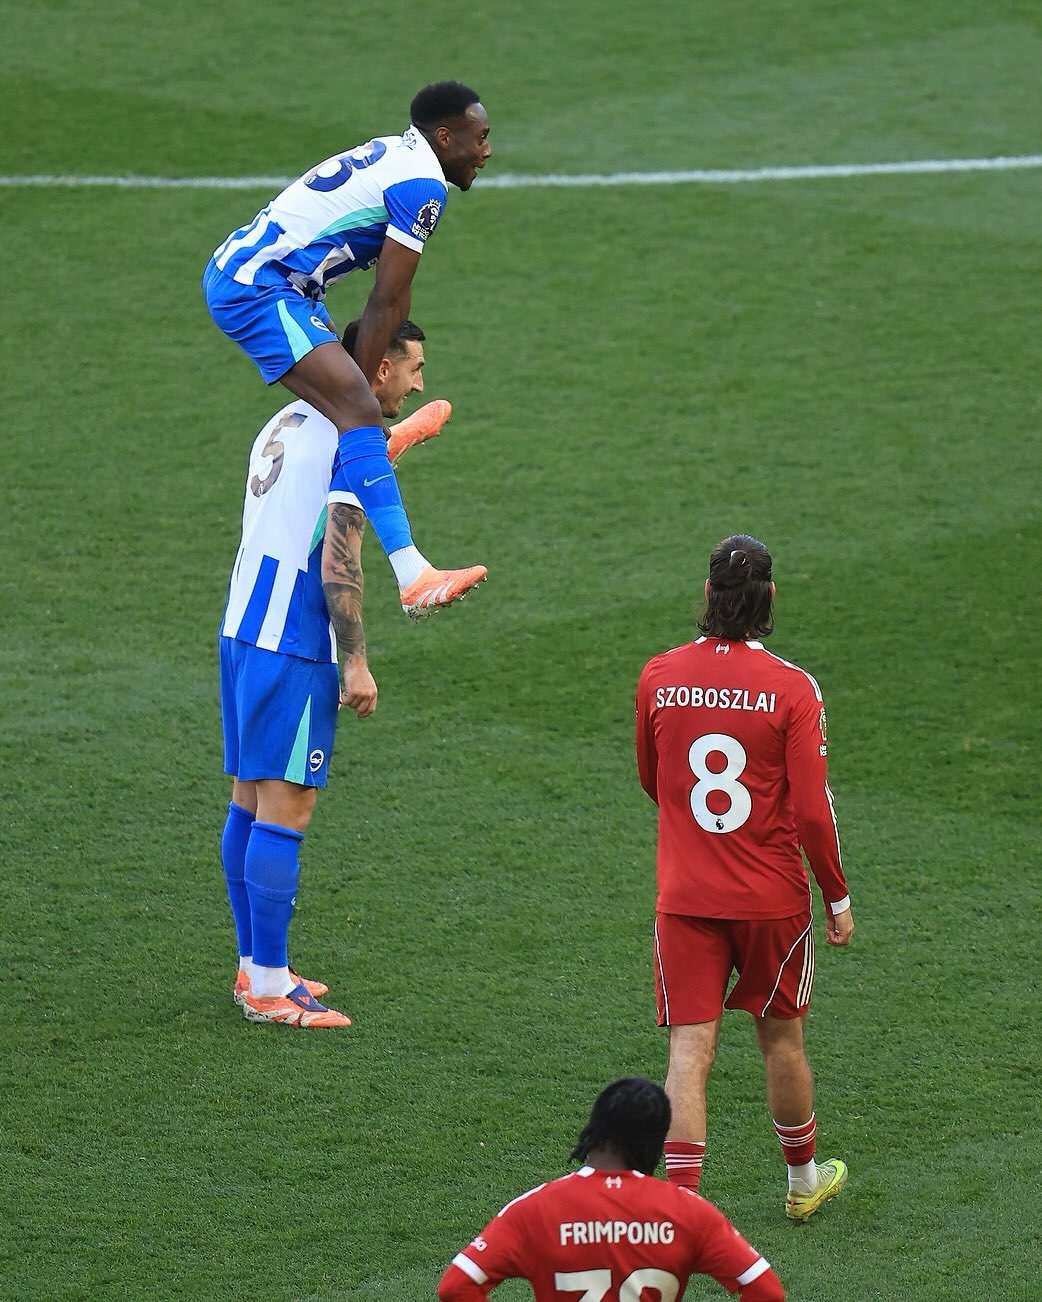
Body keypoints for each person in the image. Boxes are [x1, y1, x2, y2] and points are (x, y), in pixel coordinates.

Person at [220, 321, 450, 1028]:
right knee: (286, 808)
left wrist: (381, 450)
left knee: (250, 801)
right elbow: (338, 561)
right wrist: (355, 660)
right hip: (292, 640)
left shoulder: (288, 415)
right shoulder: (349, 440)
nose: (417, 385)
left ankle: (258, 966)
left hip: (241, 624)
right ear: (376, 369)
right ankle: (266, 985)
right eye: (411, 369)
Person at [202, 80, 492, 618]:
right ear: (446, 136)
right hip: (259, 287)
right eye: (479, 138)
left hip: (280, 284)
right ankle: (412, 575)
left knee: (350, 407)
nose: (486, 151)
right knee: (354, 407)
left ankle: (374, 446)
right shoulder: (423, 186)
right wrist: (362, 393)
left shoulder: (401, 156)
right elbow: (384, 300)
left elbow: (396, 298)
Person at [635, 535, 854, 1221]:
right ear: (771, 599)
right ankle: (802, 1183)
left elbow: (655, 780)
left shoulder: (660, 676)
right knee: (782, 1038)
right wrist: (837, 895)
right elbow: (814, 812)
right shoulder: (793, 688)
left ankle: (680, 1211)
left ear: (707, 594)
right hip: (772, 900)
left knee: (688, 1051)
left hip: (686, 897)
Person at [438, 1077, 785, 1300]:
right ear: (655, 1143)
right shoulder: (688, 1212)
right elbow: (766, 1291)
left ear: (594, 1129)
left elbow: (457, 1286)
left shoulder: (536, 1209)